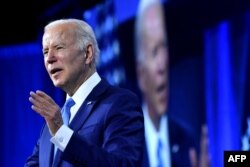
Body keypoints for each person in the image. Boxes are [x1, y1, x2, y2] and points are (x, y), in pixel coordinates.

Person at [25, 18, 144, 167]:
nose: (49, 59)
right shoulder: (51, 124)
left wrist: (62, 134)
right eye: (45, 51)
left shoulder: (119, 103)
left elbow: (123, 165)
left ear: (87, 53)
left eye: (59, 47)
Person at [134, 0, 210, 167]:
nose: (162, 64)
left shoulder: (187, 141)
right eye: (154, 52)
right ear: (141, 75)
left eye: (164, 48)